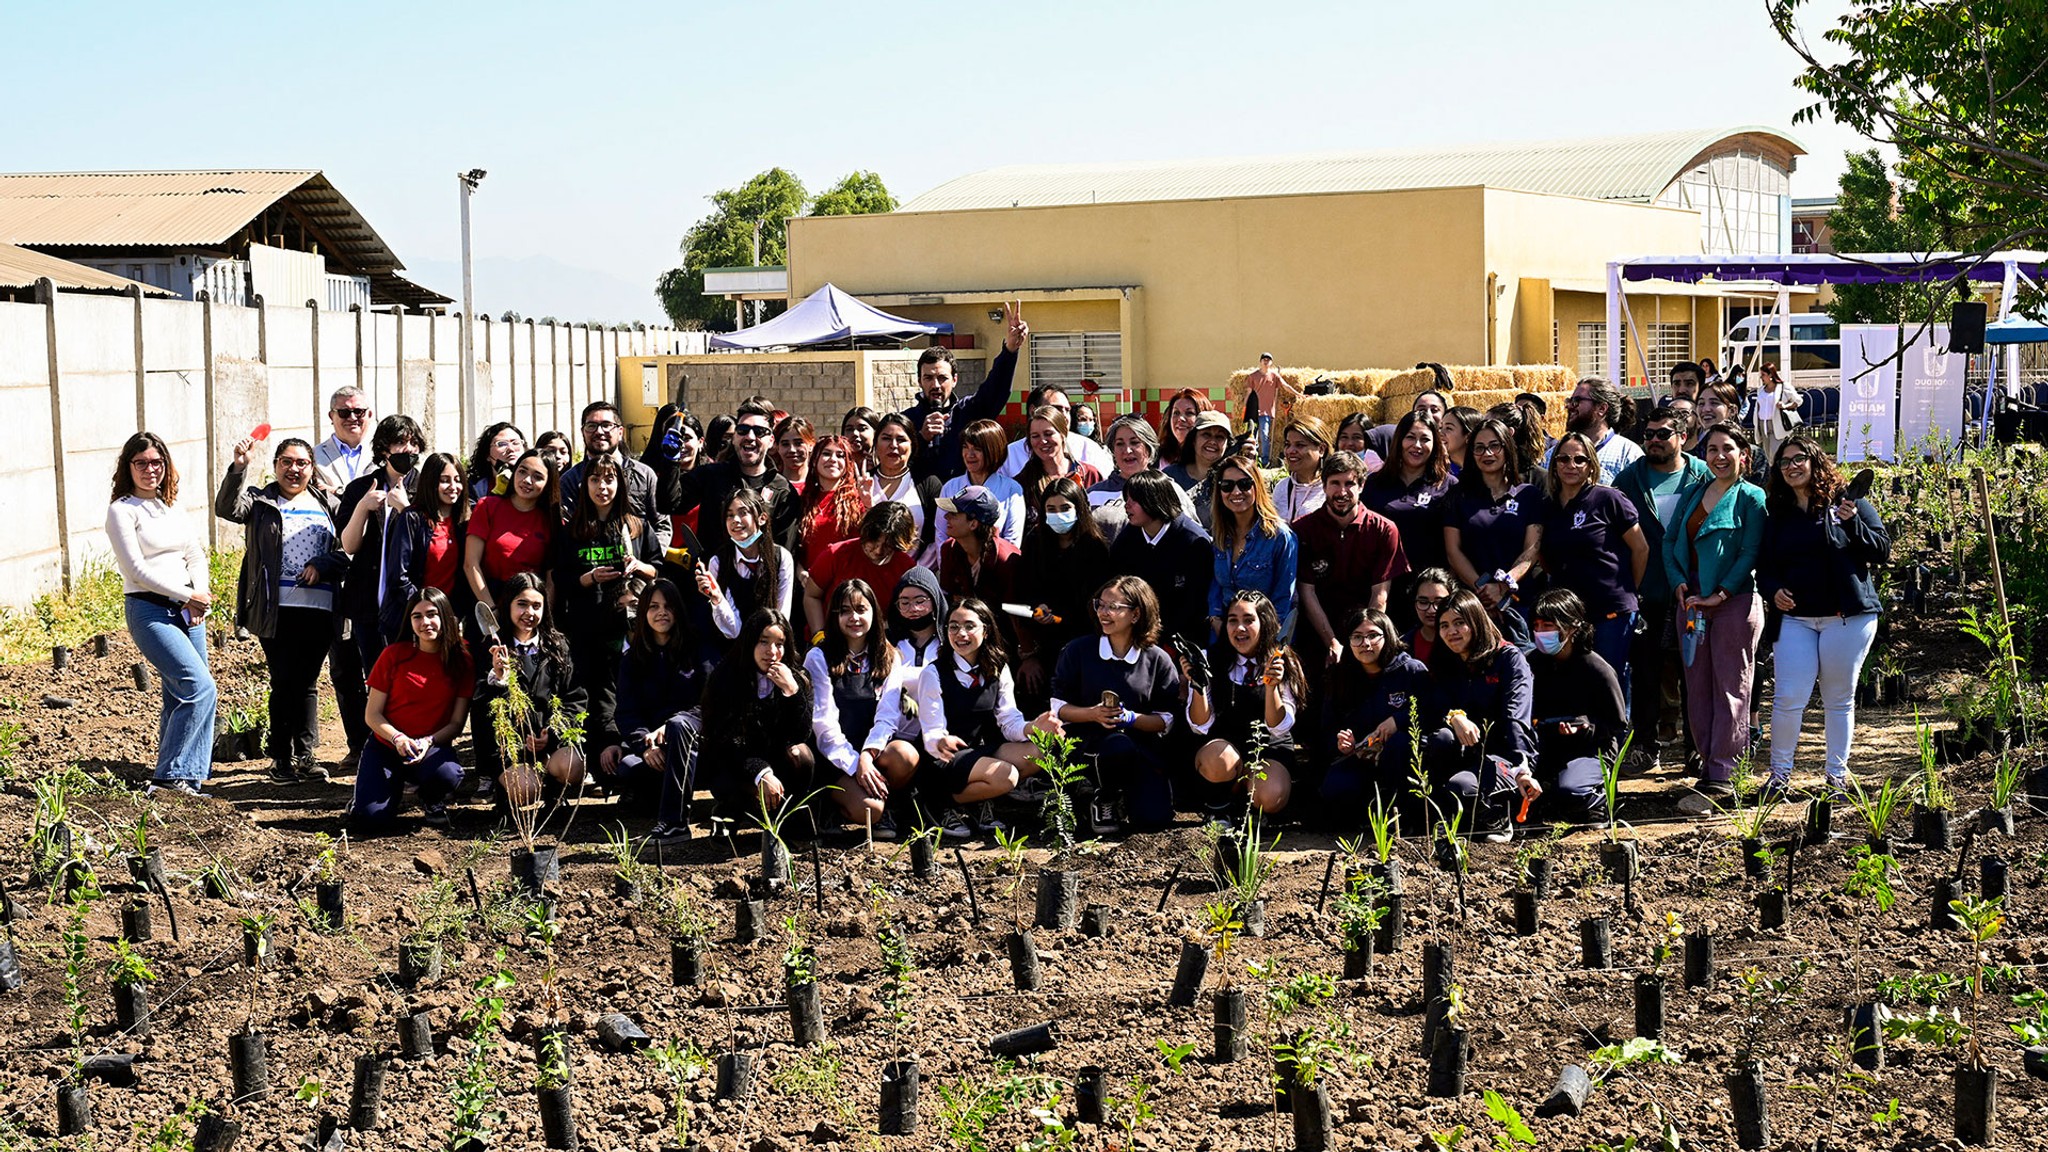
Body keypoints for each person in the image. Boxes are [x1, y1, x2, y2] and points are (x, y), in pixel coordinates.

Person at [1758, 436, 1888, 795]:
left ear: (1815, 461)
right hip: (1796, 619)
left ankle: (1836, 777)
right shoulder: (1777, 512)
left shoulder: (1846, 502)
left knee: (1838, 698)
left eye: (1798, 458)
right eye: (1784, 462)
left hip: (1846, 618)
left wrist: (1852, 523)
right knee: (1788, 697)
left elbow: (1881, 550)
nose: (1791, 467)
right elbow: (1764, 566)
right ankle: (1779, 777)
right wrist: (1773, 590)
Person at [215, 434, 346, 785]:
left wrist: (323, 564)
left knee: (307, 682)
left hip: (320, 608)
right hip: (276, 609)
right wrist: (239, 467)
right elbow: (226, 508)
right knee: (284, 680)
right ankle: (281, 759)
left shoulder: (328, 504)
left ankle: (306, 755)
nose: (294, 469)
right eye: (286, 462)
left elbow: (349, 548)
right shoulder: (260, 502)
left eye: (302, 463)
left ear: (312, 468)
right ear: (275, 466)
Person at [1665, 422, 1767, 814]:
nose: (1719, 456)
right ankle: (1708, 766)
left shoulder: (1751, 496)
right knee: (1697, 688)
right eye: (1711, 449)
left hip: (1732, 602)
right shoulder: (1695, 492)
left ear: (1744, 455)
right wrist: (1678, 583)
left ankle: (1725, 773)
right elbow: (1670, 541)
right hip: (1691, 603)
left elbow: (1750, 551)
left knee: (1731, 688)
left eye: (1728, 449)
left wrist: (1720, 593)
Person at [108, 432, 217, 797]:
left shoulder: (171, 506)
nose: (150, 469)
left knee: (179, 694)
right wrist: (188, 595)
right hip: (150, 609)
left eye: (156, 462)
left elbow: (195, 554)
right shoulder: (122, 510)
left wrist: (198, 596)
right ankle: (169, 779)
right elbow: (136, 570)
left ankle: (188, 783)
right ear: (128, 467)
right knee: (199, 687)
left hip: (188, 609)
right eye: (141, 463)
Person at [1614, 405, 1708, 769]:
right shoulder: (1629, 479)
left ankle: (1696, 748)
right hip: (1646, 591)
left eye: (1663, 434)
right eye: (1649, 434)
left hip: (1694, 591)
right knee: (1645, 673)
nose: (1654, 440)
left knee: (1694, 674)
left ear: (1682, 436)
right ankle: (1645, 747)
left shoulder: (1702, 475)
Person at [1051, 576, 1184, 834]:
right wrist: (1092, 714)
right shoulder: (1078, 650)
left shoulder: (1157, 658)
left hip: (1140, 747)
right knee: (1117, 746)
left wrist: (1130, 718)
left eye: (1113, 607)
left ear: (1136, 614)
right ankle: (1101, 796)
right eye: (1100, 605)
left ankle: (1129, 796)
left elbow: (1166, 719)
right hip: (1090, 746)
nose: (1103, 612)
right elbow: (1058, 708)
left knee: (1153, 820)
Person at [914, 597, 1057, 836]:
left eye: (969, 626)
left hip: (981, 750)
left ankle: (976, 800)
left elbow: (1009, 720)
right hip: (945, 757)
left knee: (1038, 752)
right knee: (1007, 776)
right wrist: (941, 740)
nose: (961, 633)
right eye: (953, 626)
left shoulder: (998, 668)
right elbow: (931, 731)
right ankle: (938, 802)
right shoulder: (934, 672)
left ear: (986, 631)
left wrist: (1033, 727)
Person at [554, 451, 662, 747]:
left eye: (609, 480)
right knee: (589, 697)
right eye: (595, 480)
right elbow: (560, 578)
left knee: (627, 692)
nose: (602, 487)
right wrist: (589, 578)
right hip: (587, 628)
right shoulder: (573, 531)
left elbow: (658, 570)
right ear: (585, 485)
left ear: (620, 485)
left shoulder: (637, 526)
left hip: (629, 630)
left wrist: (639, 567)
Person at [1538, 430, 1649, 712]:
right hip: (1568, 614)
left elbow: (1641, 549)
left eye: (1579, 459)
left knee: (1609, 677)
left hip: (1611, 609)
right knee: (1575, 678)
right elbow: (1543, 555)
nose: (1571, 465)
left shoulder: (1609, 499)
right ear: (1554, 464)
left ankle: (1615, 737)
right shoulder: (1548, 505)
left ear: (1591, 465)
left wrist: (1628, 589)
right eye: (1563, 459)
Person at [335, 414, 426, 758]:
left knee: (413, 673)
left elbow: (433, 541)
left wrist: (407, 510)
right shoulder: (362, 487)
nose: (407, 450)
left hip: (412, 602)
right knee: (376, 674)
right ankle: (377, 746)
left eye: (413, 444)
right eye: (400, 443)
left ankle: (414, 742)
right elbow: (349, 545)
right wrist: (362, 508)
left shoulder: (425, 486)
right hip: (368, 600)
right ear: (384, 449)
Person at [1420, 588, 1538, 844]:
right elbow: (1434, 703)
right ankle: (1447, 815)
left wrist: (1522, 766)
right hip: (1468, 752)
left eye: (1459, 623)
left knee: (1462, 787)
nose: (1451, 631)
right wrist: (1455, 716)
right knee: (1438, 740)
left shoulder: (1508, 658)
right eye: (1444, 625)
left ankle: (1498, 815)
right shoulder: (1446, 660)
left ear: (1476, 621)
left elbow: (1516, 715)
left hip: (1505, 754)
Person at [603, 579, 715, 845]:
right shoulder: (632, 660)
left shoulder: (699, 648)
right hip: (657, 748)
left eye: (668, 606)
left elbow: (712, 701)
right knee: (629, 767)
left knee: (678, 726)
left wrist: (678, 724)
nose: (661, 612)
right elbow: (627, 712)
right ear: (643, 612)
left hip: (699, 743)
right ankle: (657, 799)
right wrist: (646, 746)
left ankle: (675, 824)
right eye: (653, 606)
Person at [805, 579, 921, 838]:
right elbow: (824, 725)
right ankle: (829, 805)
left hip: (870, 752)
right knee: (870, 810)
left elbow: (888, 717)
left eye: (861, 609)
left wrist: (868, 755)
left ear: (874, 613)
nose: (854, 618)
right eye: (845, 611)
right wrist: (855, 764)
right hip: (833, 757)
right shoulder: (818, 657)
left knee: (905, 756)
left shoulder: (889, 656)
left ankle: (887, 802)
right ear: (834, 616)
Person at [351, 588, 473, 831]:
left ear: (446, 617)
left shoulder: (462, 661)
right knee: (370, 819)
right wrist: (397, 738)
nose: (425, 622)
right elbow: (372, 714)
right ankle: (377, 793)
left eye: (432, 614)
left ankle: (431, 799)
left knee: (448, 775)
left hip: (429, 749)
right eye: (417, 616)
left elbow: (456, 724)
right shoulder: (393, 655)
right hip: (387, 746)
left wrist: (428, 741)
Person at [473, 573, 587, 812]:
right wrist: (499, 679)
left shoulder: (558, 646)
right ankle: (506, 792)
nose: (529, 612)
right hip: (509, 749)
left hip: (551, 744)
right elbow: (481, 709)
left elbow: (575, 698)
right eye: (522, 604)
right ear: (508, 605)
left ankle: (554, 792)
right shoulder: (491, 649)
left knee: (574, 766)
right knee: (525, 789)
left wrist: (552, 734)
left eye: (537, 606)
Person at [697, 609, 817, 829]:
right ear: (750, 641)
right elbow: (727, 741)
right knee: (728, 782)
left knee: (802, 755)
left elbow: (801, 734)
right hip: (734, 765)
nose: (772, 652)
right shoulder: (725, 677)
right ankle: (729, 812)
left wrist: (792, 692)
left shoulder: (797, 677)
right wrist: (762, 773)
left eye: (779, 644)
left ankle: (784, 820)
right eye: (763, 642)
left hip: (776, 760)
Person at [1187, 590, 1304, 816]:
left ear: (1265, 623)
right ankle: (1219, 807)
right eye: (1233, 620)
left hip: (1269, 747)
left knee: (1271, 794)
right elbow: (1199, 725)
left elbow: (1278, 727)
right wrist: (1198, 685)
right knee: (1218, 758)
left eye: (1249, 620)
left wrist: (1271, 687)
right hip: (1224, 749)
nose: (1239, 628)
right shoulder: (1209, 659)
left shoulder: (1282, 661)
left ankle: (1252, 808)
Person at [1318, 607, 1431, 830]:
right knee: (1335, 789)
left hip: (1402, 760)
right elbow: (1327, 728)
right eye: (1357, 637)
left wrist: (1397, 721)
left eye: (1373, 635)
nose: (1365, 644)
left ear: (1387, 636)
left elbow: (1433, 710)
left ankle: (1405, 818)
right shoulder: (1340, 676)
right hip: (1360, 758)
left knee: (1400, 745)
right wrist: (1343, 744)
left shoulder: (1411, 670)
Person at [1294, 451, 1407, 670]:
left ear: (1362, 486)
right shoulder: (1303, 530)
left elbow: (1380, 595)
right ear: (1324, 486)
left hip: (1368, 635)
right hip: (1317, 634)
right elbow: (1307, 592)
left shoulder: (1384, 530)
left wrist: (1362, 640)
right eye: (1335, 483)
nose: (1342, 492)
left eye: (1349, 483)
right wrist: (1332, 642)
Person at [1525, 589, 1626, 821]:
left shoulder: (1597, 669)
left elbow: (1617, 724)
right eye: (1537, 626)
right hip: (1545, 747)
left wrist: (1586, 727)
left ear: (1572, 628)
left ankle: (1599, 798)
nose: (1541, 632)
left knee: (1572, 791)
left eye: (1548, 626)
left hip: (1591, 749)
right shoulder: (1531, 663)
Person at [660, 398, 799, 560]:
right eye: (743, 430)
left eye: (759, 431)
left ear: (771, 441)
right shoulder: (710, 475)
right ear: (734, 438)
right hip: (711, 574)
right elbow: (668, 504)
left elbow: (784, 553)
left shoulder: (783, 491)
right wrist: (670, 461)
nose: (750, 436)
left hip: (762, 575)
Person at [1015, 477, 1113, 706]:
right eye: (1051, 509)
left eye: (1065, 508)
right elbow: (1022, 594)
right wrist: (1037, 610)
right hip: (1044, 645)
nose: (1058, 515)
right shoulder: (1034, 542)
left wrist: (1062, 617)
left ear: (1079, 509)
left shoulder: (1095, 546)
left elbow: (1097, 601)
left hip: (1086, 643)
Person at [904, 303, 1028, 481]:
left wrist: (1010, 350)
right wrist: (922, 438)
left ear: (955, 380)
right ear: (919, 381)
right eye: (928, 378)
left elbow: (995, 389)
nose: (936, 385)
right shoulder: (906, 421)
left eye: (942, 378)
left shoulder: (968, 412)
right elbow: (894, 466)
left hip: (962, 496)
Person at [1444, 416, 1542, 638]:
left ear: (1507, 448)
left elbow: (1532, 549)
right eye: (1479, 448)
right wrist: (1484, 589)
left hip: (1519, 602)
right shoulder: (1458, 496)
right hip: (1473, 605)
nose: (1487, 453)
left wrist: (1503, 586)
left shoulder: (1529, 495)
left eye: (1494, 446)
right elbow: (1453, 551)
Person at [1108, 469, 1215, 646]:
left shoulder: (1194, 542)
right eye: (1127, 499)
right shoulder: (1128, 538)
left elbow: (1196, 605)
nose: (1127, 506)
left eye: (1134, 500)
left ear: (1154, 500)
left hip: (1184, 639)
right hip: (1139, 633)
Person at [463, 449, 557, 630]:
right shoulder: (488, 506)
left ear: (548, 483)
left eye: (537, 477)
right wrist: (491, 610)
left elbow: (551, 576)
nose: (527, 480)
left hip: (530, 610)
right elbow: (471, 564)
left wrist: (543, 618)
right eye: (522, 471)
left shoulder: (551, 521)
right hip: (489, 601)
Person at [1208, 455, 1298, 635]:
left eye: (1244, 484)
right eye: (1227, 486)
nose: (1236, 492)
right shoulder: (1220, 533)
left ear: (1257, 487)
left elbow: (1283, 598)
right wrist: (1215, 618)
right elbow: (1216, 584)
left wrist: (1266, 638)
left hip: (1264, 633)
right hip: (1224, 631)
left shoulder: (1280, 537)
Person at [804, 502, 918, 638]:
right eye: (873, 542)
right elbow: (812, 596)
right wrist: (819, 635)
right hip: (831, 637)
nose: (878, 550)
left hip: (880, 639)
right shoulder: (836, 554)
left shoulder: (906, 567)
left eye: (888, 546)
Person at [1363, 411, 1453, 577]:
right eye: (1410, 437)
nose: (1417, 445)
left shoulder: (1448, 485)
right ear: (1399, 440)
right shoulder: (1374, 483)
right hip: (1383, 582)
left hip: (1430, 584)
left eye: (1425, 439)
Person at [559, 401, 667, 539]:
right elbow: (567, 532)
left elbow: (662, 525)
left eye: (606, 425)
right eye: (591, 426)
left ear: (620, 432)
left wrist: (651, 552)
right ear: (583, 432)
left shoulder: (645, 475)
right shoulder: (570, 480)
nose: (599, 432)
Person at [697, 487, 793, 640]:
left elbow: (782, 617)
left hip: (771, 642)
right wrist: (717, 599)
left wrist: (765, 644)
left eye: (743, 513)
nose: (735, 520)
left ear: (762, 518)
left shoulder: (782, 558)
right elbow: (732, 631)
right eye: (730, 515)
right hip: (732, 647)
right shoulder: (718, 562)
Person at [391, 452, 473, 621]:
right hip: (416, 616)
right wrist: (425, 610)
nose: (453, 486)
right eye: (445, 480)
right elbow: (399, 577)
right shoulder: (412, 518)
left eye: (458, 480)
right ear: (431, 482)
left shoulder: (466, 522)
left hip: (451, 616)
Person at [1087, 415, 1195, 541]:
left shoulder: (1169, 489)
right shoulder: (1094, 493)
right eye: (1120, 444)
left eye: (1135, 442)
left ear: (1148, 448)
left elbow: (1192, 536)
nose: (1127, 450)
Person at [935, 486, 1023, 631]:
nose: (946, 517)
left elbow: (1016, 612)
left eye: (954, 514)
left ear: (973, 524)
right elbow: (951, 598)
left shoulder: (1006, 559)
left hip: (1004, 632)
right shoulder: (948, 549)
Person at [933, 419, 1025, 553]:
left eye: (977, 449)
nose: (969, 454)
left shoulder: (1012, 489)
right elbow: (941, 535)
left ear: (993, 451)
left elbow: (1012, 541)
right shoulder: (950, 487)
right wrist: (948, 563)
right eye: (965, 447)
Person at [1017, 405, 1104, 530]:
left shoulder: (1089, 474)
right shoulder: (1022, 483)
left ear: (1063, 434)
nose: (1043, 441)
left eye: (1048, 434)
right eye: (1035, 436)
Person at [1000, 384, 1113, 480]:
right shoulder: (1010, 456)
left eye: (1067, 410)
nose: (1064, 416)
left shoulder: (1089, 449)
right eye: (1057, 409)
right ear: (1033, 411)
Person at [868, 411, 943, 554]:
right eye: (886, 438)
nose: (893, 445)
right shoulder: (862, 483)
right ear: (876, 444)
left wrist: (918, 566)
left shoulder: (928, 484)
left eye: (901, 439)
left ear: (912, 445)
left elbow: (939, 535)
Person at [1545, 377, 1641, 484]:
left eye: (1576, 401)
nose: (1569, 406)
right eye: (1569, 401)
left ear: (1601, 409)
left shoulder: (1629, 455)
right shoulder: (1552, 455)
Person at [795, 432, 869, 569]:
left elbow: (869, 541)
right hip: (807, 578)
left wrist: (868, 505)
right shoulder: (803, 498)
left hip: (845, 577)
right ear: (815, 460)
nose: (833, 459)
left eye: (840, 455)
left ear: (848, 464)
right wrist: (801, 573)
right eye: (826, 454)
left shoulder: (857, 499)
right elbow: (794, 547)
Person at [643, 409, 705, 544]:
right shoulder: (652, 479)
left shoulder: (710, 476)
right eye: (675, 437)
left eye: (686, 438)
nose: (680, 444)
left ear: (700, 442)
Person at [1165, 410, 1233, 526]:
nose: (1213, 441)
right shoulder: (1170, 476)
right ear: (1193, 439)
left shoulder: (1233, 479)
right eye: (1206, 434)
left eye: (1220, 437)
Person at [313, 386, 374, 493]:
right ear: (331, 416)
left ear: (369, 415)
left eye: (358, 411)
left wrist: (336, 491)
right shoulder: (314, 456)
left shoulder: (382, 454)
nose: (352, 418)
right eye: (344, 412)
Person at [1271, 415, 1329, 522]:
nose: (1290, 451)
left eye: (1300, 445)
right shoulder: (1281, 488)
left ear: (1321, 449)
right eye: (1287, 444)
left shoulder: (1331, 489)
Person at [1365, 388, 1448, 461]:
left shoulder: (1452, 446)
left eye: (1434, 410)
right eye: (1421, 410)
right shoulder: (1389, 434)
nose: (1428, 414)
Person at [889, 567, 947, 670]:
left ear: (935, 601)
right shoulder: (888, 644)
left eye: (920, 601)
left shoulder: (950, 643)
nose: (913, 609)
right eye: (905, 603)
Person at [1243, 352, 1289, 465]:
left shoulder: (1274, 376)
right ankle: (1251, 460)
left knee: (1264, 436)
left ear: (1271, 363)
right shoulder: (1253, 376)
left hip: (1266, 412)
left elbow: (1286, 386)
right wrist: (1244, 408)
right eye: (1264, 359)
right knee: (1251, 436)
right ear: (1260, 361)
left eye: (1268, 360)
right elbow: (1248, 393)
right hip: (1252, 412)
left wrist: (1299, 394)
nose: (1266, 361)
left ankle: (1265, 461)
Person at [1405, 567, 1457, 664]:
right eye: (1423, 602)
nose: (1431, 610)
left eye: (1439, 602)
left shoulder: (1463, 639)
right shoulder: (1403, 645)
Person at [468, 422, 526, 501]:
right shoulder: (476, 488)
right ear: (487, 454)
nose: (510, 449)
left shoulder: (533, 480)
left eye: (515, 443)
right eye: (501, 444)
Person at [1158, 388, 1212, 466]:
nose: (1181, 419)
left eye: (1189, 413)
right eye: (1176, 413)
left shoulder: (1213, 458)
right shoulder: (1155, 457)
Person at [773, 415, 815, 484]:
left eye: (798, 443)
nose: (792, 450)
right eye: (785, 444)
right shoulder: (770, 486)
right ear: (777, 447)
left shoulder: (822, 484)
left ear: (811, 445)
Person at [1438, 407, 1479, 476]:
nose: (1440, 433)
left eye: (1448, 428)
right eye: (1440, 427)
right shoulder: (1437, 469)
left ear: (1469, 436)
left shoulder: (1484, 469)